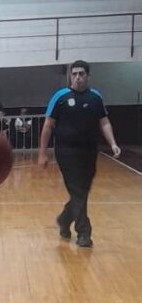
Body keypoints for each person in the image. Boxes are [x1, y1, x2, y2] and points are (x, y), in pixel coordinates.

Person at [38, 60, 121, 248]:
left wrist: (113, 143)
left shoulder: (95, 97)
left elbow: (104, 122)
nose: (77, 77)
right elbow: (48, 125)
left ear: (88, 76)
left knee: (82, 191)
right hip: (66, 151)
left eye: (81, 74)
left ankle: (65, 219)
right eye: (74, 74)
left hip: (90, 151)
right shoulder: (60, 96)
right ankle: (84, 232)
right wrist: (42, 153)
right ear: (70, 76)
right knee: (78, 190)